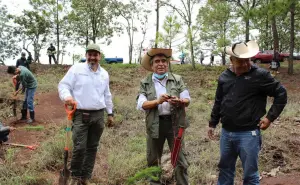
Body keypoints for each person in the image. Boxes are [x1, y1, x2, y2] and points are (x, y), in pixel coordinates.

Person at [208, 40, 287, 185]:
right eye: (240, 61)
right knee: (225, 171)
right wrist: (212, 123)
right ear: (231, 60)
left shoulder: (260, 75)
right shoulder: (224, 77)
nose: (245, 64)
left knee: (250, 175)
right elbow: (219, 101)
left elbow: (281, 94)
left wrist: (269, 118)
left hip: (249, 134)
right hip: (226, 133)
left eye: (247, 60)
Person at [58, 43, 114, 185]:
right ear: (86, 55)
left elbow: (107, 95)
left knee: (92, 147)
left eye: (95, 54)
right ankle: (75, 177)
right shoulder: (77, 69)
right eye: (89, 54)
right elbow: (63, 85)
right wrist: (67, 97)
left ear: (99, 56)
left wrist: (110, 113)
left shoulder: (104, 74)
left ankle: (85, 177)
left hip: (98, 115)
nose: (92, 57)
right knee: (80, 147)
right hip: (80, 114)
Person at [136, 48, 191, 185]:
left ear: (167, 64)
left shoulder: (177, 79)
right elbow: (141, 104)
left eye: (164, 61)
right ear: (152, 65)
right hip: (155, 126)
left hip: (175, 125)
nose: (161, 64)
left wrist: (180, 101)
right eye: (157, 61)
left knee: (180, 160)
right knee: (153, 160)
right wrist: (157, 101)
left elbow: (187, 99)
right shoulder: (146, 82)